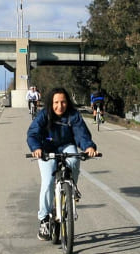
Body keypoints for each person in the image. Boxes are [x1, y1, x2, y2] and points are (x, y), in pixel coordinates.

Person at [27, 88, 98, 240]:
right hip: (46, 148)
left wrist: (88, 147)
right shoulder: (44, 115)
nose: (60, 106)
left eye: (63, 102)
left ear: (68, 102)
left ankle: (71, 187)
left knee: (74, 159)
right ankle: (44, 219)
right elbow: (33, 133)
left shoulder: (73, 115)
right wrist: (36, 148)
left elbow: (81, 133)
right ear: (51, 103)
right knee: (47, 182)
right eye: (56, 102)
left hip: (66, 145)